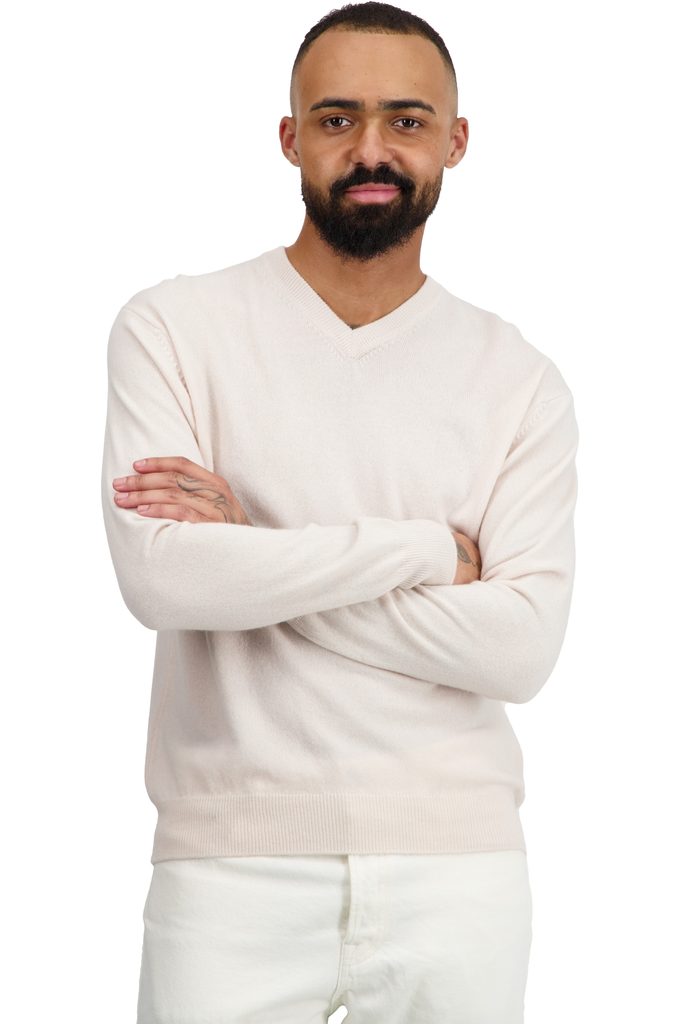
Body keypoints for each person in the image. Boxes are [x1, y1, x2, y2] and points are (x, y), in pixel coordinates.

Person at [101, 3, 579, 1021]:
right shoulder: (175, 328)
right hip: (228, 868)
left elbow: (518, 651)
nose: (370, 149)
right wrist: (425, 550)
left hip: (459, 871)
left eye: (406, 120)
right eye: (335, 118)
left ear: (455, 140)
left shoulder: (518, 378)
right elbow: (164, 579)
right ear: (289, 138)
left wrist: (254, 558)